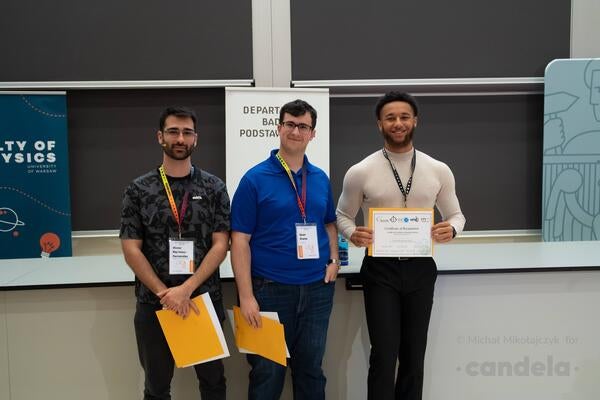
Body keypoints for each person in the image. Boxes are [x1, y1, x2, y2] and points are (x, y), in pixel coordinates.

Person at [336, 92, 466, 400]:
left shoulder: (438, 170)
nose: (398, 123)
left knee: (413, 356)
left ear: (415, 121)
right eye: (390, 117)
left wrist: (452, 229)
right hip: (380, 270)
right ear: (379, 124)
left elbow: (457, 215)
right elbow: (342, 215)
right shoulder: (360, 171)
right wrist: (353, 233)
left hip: (421, 269)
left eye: (404, 117)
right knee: (383, 355)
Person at [230, 99, 339, 400]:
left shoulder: (319, 179)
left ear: (312, 134)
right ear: (278, 128)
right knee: (267, 373)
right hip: (269, 291)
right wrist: (246, 296)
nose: (296, 131)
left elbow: (329, 224)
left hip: (317, 290)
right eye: (290, 124)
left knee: (311, 370)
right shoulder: (254, 179)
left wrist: (333, 259)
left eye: (303, 126)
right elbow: (239, 240)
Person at [120, 106, 230, 400]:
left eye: (187, 132)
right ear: (160, 137)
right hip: (155, 304)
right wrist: (166, 294)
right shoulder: (138, 189)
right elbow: (131, 249)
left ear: (196, 139)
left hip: (203, 300)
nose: (180, 138)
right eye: (173, 131)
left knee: (213, 384)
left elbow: (221, 245)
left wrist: (186, 289)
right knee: (156, 389)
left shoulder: (214, 187)